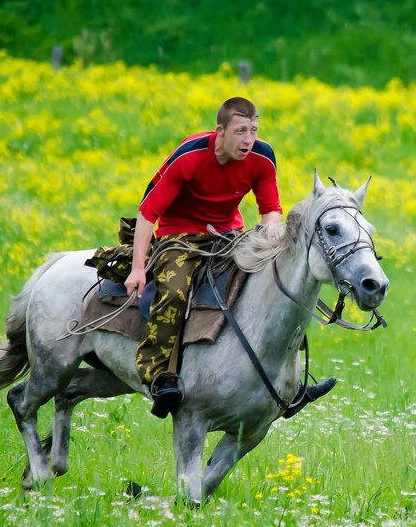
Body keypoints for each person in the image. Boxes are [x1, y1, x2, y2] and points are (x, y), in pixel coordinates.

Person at [124, 97, 335, 418]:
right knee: (174, 290)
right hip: (179, 235)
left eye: (253, 130)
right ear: (220, 131)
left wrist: (269, 244)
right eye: (240, 131)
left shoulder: (262, 156)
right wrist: (138, 268)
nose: (248, 139)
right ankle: (158, 374)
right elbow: (147, 212)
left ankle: (291, 383)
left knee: (278, 286)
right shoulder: (190, 155)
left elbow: (270, 211)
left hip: (228, 236)